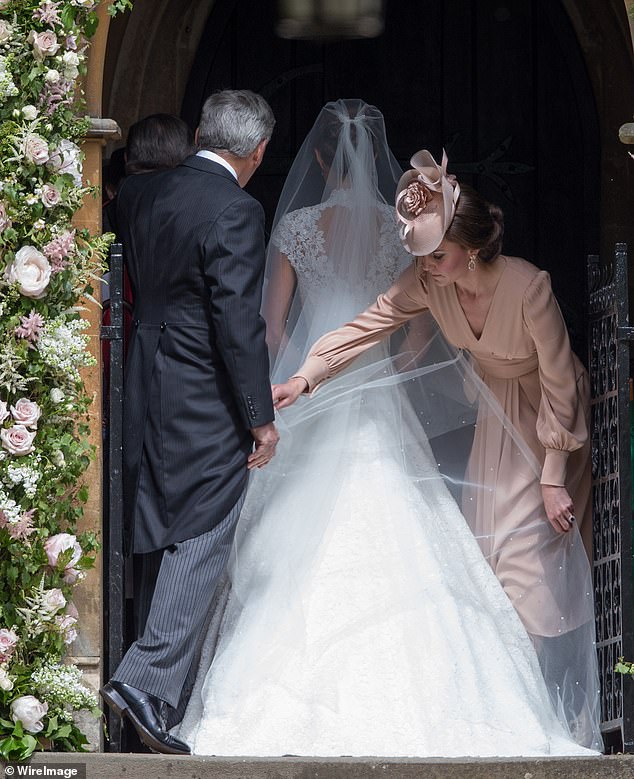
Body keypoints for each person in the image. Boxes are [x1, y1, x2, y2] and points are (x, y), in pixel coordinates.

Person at [174, 102, 601, 756]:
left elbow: (561, 384)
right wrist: (305, 378)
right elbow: (366, 324)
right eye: (423, 258)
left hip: (548, 419)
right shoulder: (425, 282)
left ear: (472, 247)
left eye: (437, 256)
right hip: (490, 406)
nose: (426, 266)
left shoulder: (528, 287)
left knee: (526, 556)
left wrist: (552, 474)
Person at [100, 89, 279, 755]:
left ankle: (145, 703)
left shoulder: (140, 194)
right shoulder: (236, 208)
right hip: (202, 388)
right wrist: (259, 418)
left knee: (157, 518)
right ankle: (143, 681)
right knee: (204, 522)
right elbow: (237, 322)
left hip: (141, 375)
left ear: (200, 130)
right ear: (258, 153)